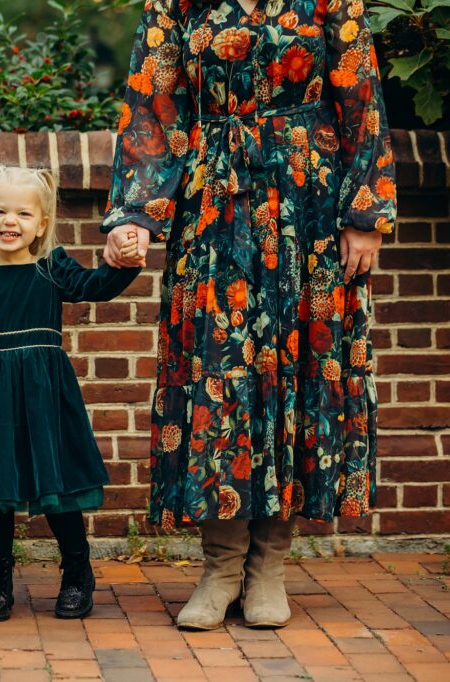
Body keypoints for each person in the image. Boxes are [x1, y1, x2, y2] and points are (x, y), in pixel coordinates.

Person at [102, 0, 396, 630]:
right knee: (219, 373)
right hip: (214, 205)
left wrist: (365, 214)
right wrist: (136, 212)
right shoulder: (176, 4)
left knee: (292, 374)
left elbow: (362, 100)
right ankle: (221, 565)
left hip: (307, 206)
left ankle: (268, 566)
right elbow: (154, 105)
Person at [0, 166, 141, 620]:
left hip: (44, 393)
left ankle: (77, 572)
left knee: (56, 485)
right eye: (0, 211)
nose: (11, 222)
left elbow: (94, 287)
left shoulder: (52, 268)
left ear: (42, 224)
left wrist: (122, 263)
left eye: (24, 214)